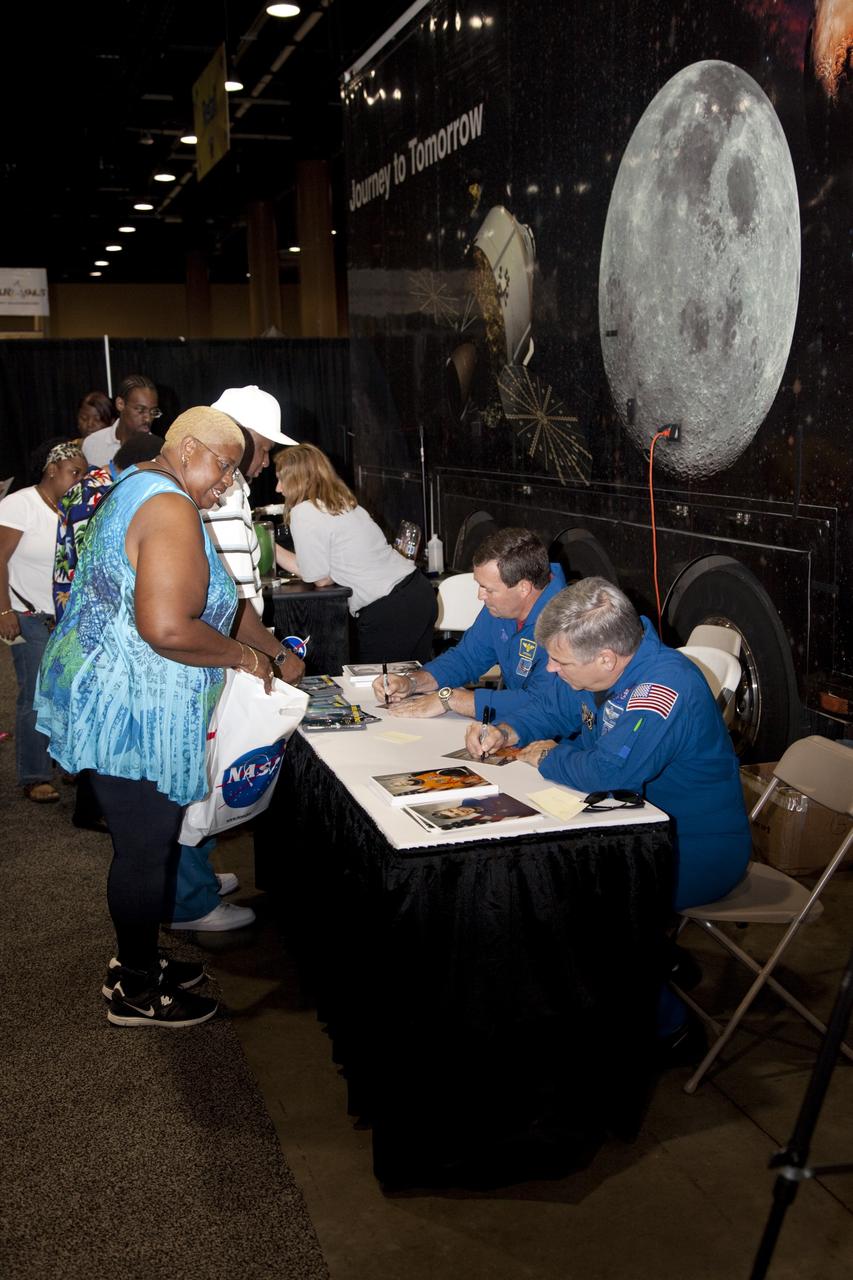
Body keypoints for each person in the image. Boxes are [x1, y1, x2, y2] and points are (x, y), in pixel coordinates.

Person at [34, 406, 297, 1029]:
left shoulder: (138, 484)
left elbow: (211, 603)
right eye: (225, 466)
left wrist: (272, 650)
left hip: (114, 696)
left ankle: (139, 960)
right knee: (144, 854)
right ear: (187, 450)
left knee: (144, 849)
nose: (230, 483)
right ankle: (135, 987)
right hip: (132, 711)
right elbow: (167, 626)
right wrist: (245, 659)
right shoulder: (171, 505)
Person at [466, 576, 752, 1054]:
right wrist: (509, 731)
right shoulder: (605, 660)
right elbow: (552, 707)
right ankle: (657, 958)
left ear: (605, 658)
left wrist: (545, 757)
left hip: (696, 848)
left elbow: (608, 772)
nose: (552, 670)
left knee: (563, 900)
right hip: (635, 830)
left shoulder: (662, 687)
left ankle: (672, 1030)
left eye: (559, 662)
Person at [165, 384, 303, 933]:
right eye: (264, 447)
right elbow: (228, 594)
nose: (267, 459)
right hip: (220, 646)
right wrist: (262, 650)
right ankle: (189, 901)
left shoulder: (227, 482)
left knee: (209, 767)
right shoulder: (213, 487)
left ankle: (193, 875)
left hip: (227, 641)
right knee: (201, 771)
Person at [374, 527, 566, 719]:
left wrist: (450, 699)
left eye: (488, 589)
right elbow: (467, 658)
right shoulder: (501, 609)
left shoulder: (566, 625)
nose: (480, 596)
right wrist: (412, 683)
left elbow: (541, 703)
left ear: (524, 588)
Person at [273, 443, 437, 662]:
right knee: (415, 685)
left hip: (390, 608)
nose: (278, 488)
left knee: (378, 690)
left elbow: (319, 578)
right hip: (419, 593)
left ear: (298, 480)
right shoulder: (344, 503)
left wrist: (269, 547)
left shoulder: (304, 512)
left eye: (281, 480)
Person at [0, 439, 86, 803]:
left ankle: (66, 762)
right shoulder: (19, 505)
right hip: (27, 614)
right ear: (52, 470)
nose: (81, 480)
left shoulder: (72, 507)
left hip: (66, 616)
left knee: (68, 691)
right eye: (75, 472)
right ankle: (34, 774)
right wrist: (4, 611)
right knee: (35, 695)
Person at [82, 374, 160, 467]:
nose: (148, 418)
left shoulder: (159, 451)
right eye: (140, 410)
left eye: (153, 411)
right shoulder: (92, 443)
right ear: (120, 404)